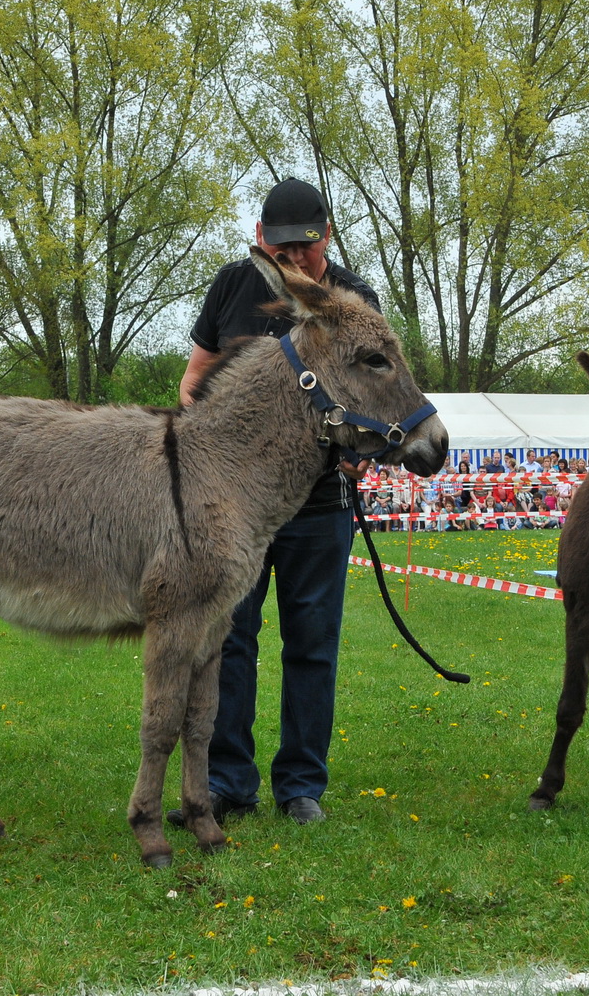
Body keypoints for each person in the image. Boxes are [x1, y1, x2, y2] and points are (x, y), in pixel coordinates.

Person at [171, 178, 379, 827]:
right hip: (232, 506)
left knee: (312, 643)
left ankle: (300, 785)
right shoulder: (231, 286)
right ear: (260, 239)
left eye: (306, 249)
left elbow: (374, 393)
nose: (294, 260)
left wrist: (359, 447)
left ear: (327, 236)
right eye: (280, 248)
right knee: (228, 641)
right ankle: (229, 780)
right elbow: (192, 382)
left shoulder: (353, 299)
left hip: (318, 505)